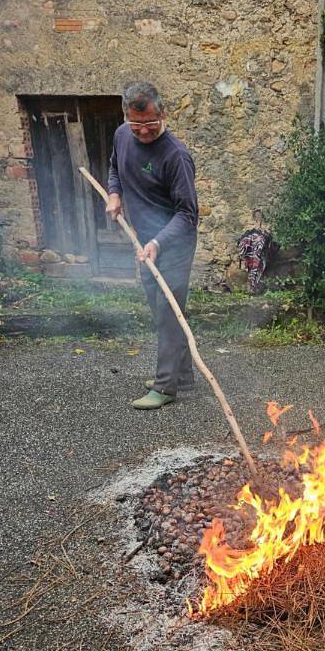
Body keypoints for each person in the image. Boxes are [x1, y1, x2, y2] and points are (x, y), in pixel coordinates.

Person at [107, 82, 199, 409]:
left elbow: (188, 215)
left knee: (168, 314)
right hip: (143, 245)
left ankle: (165, 386)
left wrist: (159, 242)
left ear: (162, 114)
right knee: (160, 311)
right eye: (137, 124)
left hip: (173, 245)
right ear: (126, 117)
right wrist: (114, 194)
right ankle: (182, 376)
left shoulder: (176, 156)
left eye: (150, 123)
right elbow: (114, 167)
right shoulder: (122, 135)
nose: (143, 131)